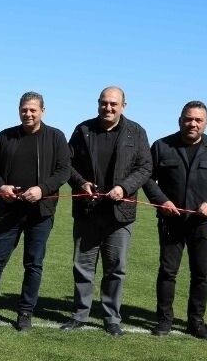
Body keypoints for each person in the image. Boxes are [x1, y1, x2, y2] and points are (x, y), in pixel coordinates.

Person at [0, 92, 70, 330]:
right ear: (19, 110)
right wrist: (1, 187)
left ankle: (25, 312)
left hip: (40, 213)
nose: (28, 114)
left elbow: (63, 170)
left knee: (33, 264)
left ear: (43, 111)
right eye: (24, 109)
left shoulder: (56, 137)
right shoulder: (6, 135)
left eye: (33, 110)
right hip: (10, 210)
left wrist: (42, 189)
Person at [62, 86, 152, 336]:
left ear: (124, 105)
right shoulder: (83, 130)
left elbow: (145, 167)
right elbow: (67, 164)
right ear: (98, 103)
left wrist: (124, 187)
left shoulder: (136, 132)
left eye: (113, 104)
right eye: (104, 103)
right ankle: (80, 314)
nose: (108, 108)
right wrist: (81, 183)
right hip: (87, 211)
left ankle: (111, 318)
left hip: (120, 214)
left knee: (115, 268)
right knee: (83, 266)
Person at [142, 101, 207, 339]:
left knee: (201, 274)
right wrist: (162, 201)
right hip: (170, 221)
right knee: (168, 271)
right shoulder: (162, 146)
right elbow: (147, 178)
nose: (193, 124)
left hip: (202, 223)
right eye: (188, 119)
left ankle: (196, 321)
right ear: (180, 120)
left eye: (198, 120)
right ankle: (164, 320)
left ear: (206, 123)